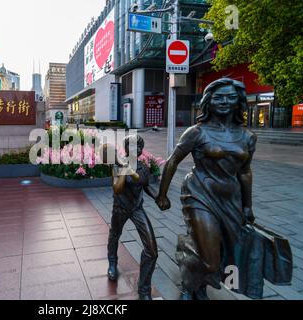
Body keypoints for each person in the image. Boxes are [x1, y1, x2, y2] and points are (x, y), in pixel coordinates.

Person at [156, 78, 261, 300]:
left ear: (239, 102)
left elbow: (245, 172)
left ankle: (198, 280)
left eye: (231, 97)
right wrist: (162, 194)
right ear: (208, 101)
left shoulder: (248, 136)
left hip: (230, 199)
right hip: (199, 194)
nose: (225, 101)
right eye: (218, 97)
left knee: (226, 251)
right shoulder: (197, 132)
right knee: (211, 259)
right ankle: (188, 282)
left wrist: (247, 206)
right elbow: (173, 161)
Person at [107, 136, 159, 301]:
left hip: (137, 209)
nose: (135, 150)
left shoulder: (143, 167)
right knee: (114, 235)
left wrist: (159, 198)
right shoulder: (117, 165)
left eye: (138, 147)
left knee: (152, 250)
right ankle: (112, 263)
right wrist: (124, 170)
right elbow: (117, 188)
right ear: (126, 148)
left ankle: (144, 289)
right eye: (131, 146)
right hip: (120, 209)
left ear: (141, 150)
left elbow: (145, 184)